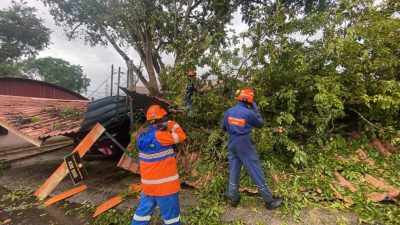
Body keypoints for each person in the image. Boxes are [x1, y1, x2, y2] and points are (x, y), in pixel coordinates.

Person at [221, 88, 283, 209]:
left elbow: (223, 127)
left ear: (238, 98)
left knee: (234, 170)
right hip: (244, 144)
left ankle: (234, 198)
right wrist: (256, 109)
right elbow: (260, 124)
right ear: (250, 101)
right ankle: (269, 201)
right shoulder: (249, 113)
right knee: (256, 171)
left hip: (232, 143)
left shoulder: (229, 111)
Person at [132, 104, 186, 225]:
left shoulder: (141, 136)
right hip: (165, 188)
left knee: (141, 217)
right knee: (172, 220)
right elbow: (181, 136)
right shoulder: (161, 136)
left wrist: (162, 126)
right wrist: (172, 124)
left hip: (148, 187)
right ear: (161, 119)